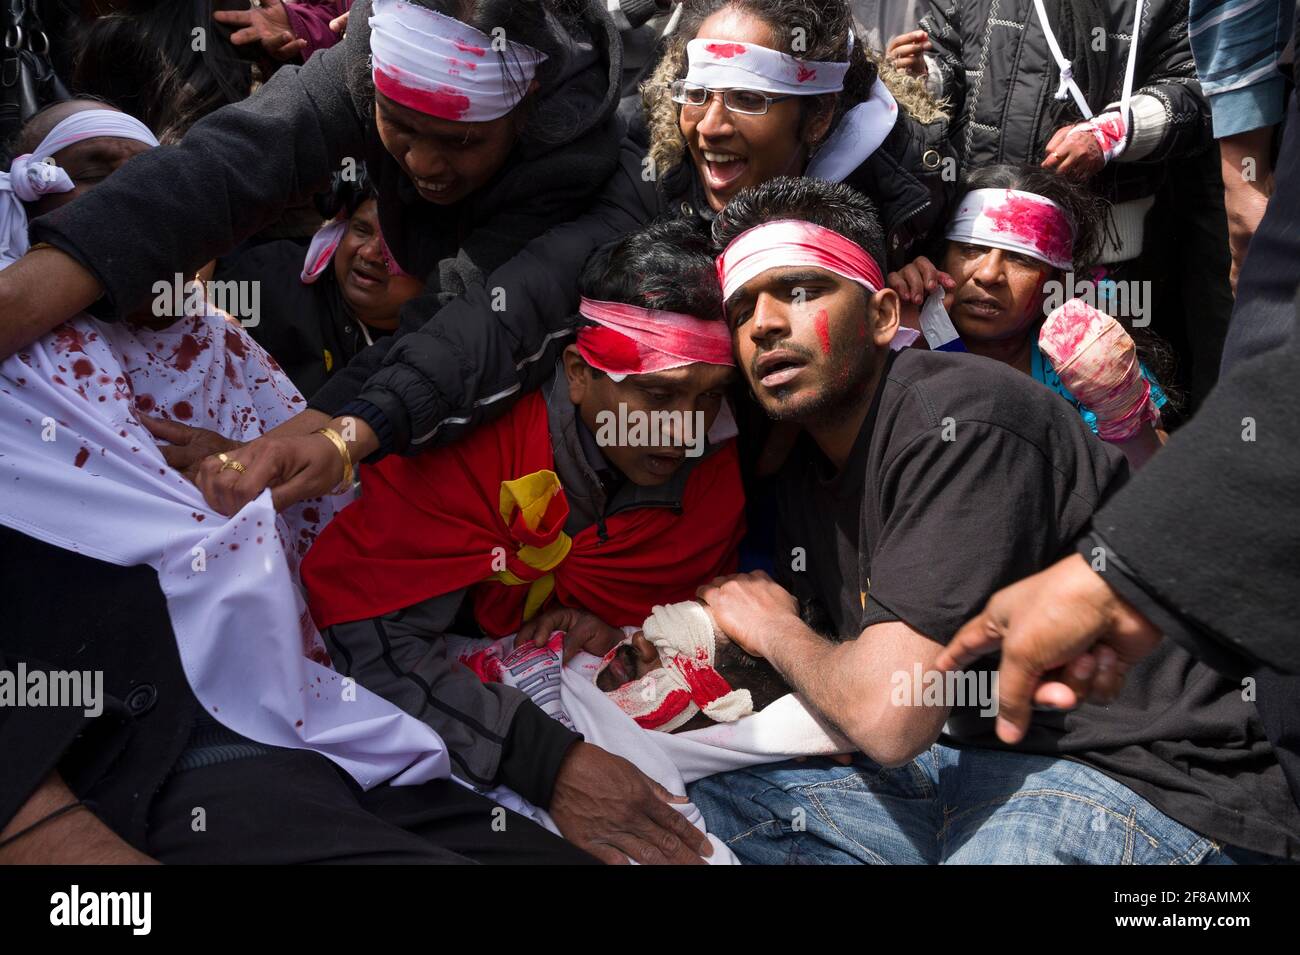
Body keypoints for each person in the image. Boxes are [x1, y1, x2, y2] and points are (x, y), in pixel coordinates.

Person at [0, 102, 593, 865]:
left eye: (150, 181)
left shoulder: (230, 351)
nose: (131, 205)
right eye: (95, 175)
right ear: (31, 202)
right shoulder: (26, 379)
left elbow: (348, 536)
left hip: (335, 710)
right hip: (180, 739)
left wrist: (258, 456)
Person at [124, 0, 958, 522]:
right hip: (649, 505)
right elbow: (503, 311)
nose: (710, 124)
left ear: (816, 120)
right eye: (699, 92)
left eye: (749, 98)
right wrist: (326, 438)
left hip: (817, 508)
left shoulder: (902, 207)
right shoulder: (646, 180)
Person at [686, 176, 1300, 863]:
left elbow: (889, 716)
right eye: (742, 309)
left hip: (1141, 780)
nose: (764, 321)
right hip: (958, 766)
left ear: (886, 315)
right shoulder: (803, 459)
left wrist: (773, 629)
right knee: (686, 812)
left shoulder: (961, 417)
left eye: (800, 291)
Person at [296, 219, 742, 863]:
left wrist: (621, 640)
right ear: (578, 373)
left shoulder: (713, 480)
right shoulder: (471, 448)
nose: (685, 429)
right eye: (658, 394)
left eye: (709, 400)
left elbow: (681, 625)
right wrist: (545, 763)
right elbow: (371, 639)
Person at [0, 0, 627, 410]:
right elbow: (227, 163)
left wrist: (327, 436)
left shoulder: (571, 156)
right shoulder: (358, 65)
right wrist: (22, 300)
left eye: (461, 142)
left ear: (528, 106)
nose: (423, 165)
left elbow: (466, 323)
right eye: (399, 127)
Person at [887, 164, 1173, 469]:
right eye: (970, 249)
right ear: (940, 257)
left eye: (1019, 258)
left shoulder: (1084, 351)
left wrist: (1124, 418)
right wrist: (899, 349)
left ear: (1057, 283)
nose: (988, 274)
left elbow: (1155, 478)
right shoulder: (896, 327)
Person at [213, 165, 424, 397]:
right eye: (361, 230)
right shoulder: (270, 277)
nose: (368, 253)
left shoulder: (432, 351)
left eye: (394, 245)